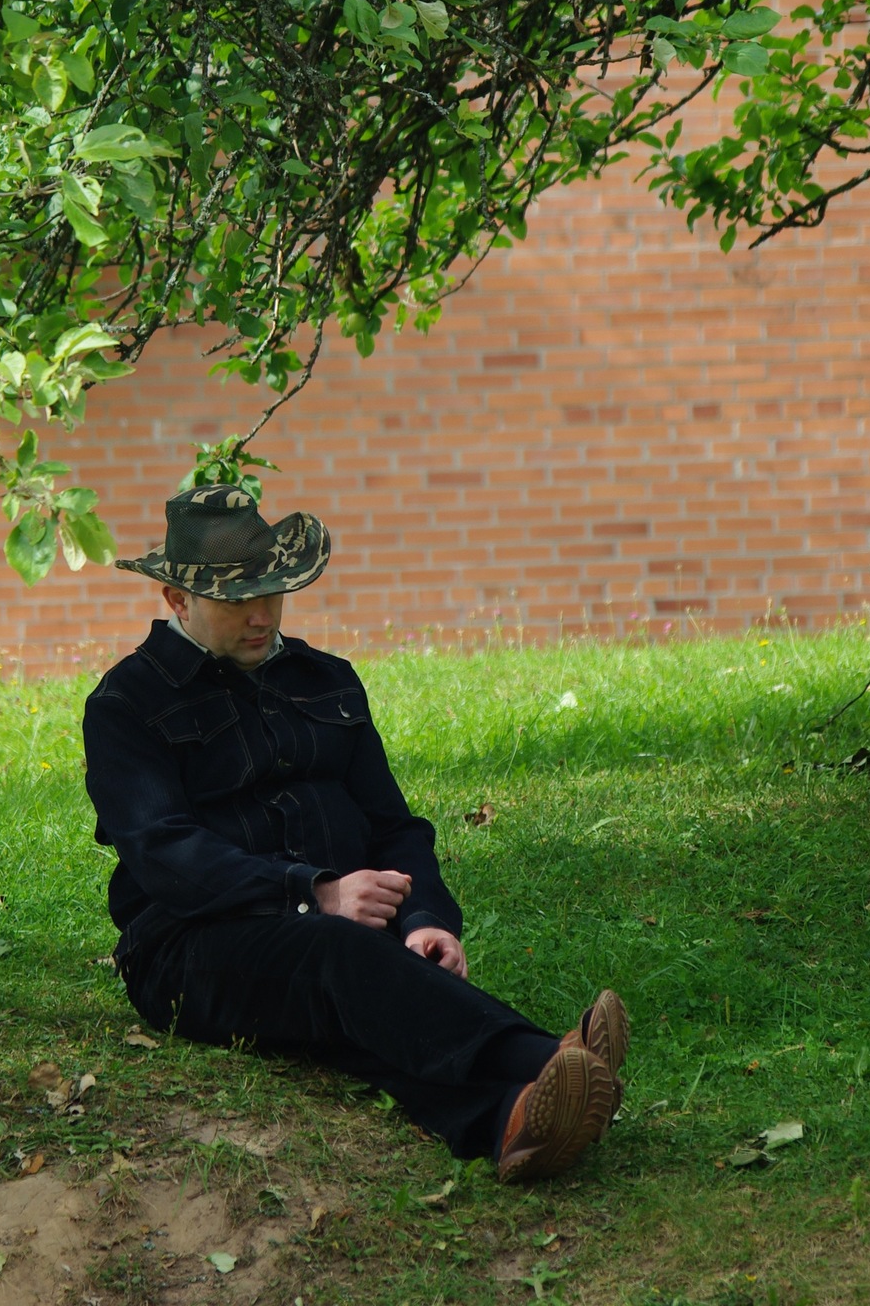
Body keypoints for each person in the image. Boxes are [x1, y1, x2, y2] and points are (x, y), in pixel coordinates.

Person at [82, 485, 628, 1180]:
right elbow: (166, 855)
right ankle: (550, 1058)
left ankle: (511, 1119)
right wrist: (315, 893)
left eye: (271, 592)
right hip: (185, 949)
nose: (260, 615)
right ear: (177, 600)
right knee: (337, 956)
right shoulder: (126, 704)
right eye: (235, 600)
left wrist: (425, 919)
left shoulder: (327, 680)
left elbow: (393, 825)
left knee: (350, 1004)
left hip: (344, 935)